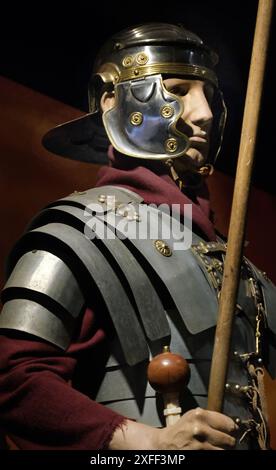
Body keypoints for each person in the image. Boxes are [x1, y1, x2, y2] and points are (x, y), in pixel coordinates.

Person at [0, 22, 276, 451]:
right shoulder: (83, 229)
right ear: (113, 98)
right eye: (179, 89)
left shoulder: (219, 248)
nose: (203, 113)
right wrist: (144, 441)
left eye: (207, 95)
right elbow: (12, 380)